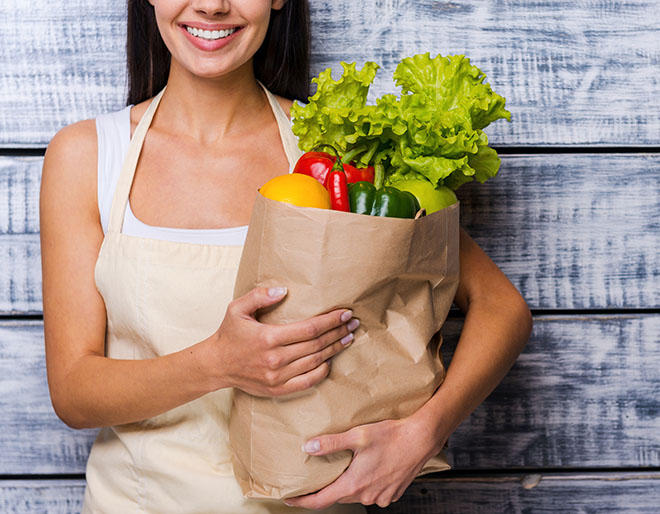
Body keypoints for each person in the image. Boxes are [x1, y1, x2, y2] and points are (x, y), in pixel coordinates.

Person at [39, 0, 532, 511]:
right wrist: (218, 364)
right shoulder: (87, 155)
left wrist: (425, 432)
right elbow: (74, 392)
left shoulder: (336, 152)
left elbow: (502, 307)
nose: (211, 5)